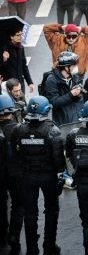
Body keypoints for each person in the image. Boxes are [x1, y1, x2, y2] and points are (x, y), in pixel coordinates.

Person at [11, 96, 65, 255]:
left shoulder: (19, 129)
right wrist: (59, 172)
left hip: (28, 175)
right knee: (51, 210)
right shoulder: (52, 130)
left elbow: (15, 150)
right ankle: (49, 246)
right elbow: (58, 159)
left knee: (30, 212)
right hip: (48, 176)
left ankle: (31, 249)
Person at [0, 95, 24, 252]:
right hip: (15, 173)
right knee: (19, 203)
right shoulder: (17, 128)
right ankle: (14, 234)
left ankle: (2, 233)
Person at [43, 51, 84, 126]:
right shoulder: (51, 80)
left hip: (74, 117)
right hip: (60, 120)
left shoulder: (73, 77)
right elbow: (53, 103)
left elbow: (75, 101)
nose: (76, 67)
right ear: (66, 67)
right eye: (74, 65)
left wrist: (77, 96)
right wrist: (70, 94)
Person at [1, 27, 34, 94]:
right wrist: (4, 60)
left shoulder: (21, 48)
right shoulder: (4, 49)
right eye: (18, 35)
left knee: (22, 103)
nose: (20, 37)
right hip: (9, 84)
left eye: (21, 34)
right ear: (11, 37)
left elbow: (24, 66)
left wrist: (30, 82)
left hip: (20, 84)